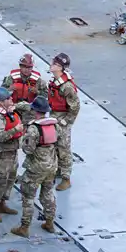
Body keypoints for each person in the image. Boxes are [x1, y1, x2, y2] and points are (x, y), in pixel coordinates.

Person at [11, 97, 59, 237]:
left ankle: (24, 227)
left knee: (28, 196)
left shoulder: (33, 128)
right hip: (51, 165)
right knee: (48, 193)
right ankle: (49, 222)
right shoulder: (54, 125)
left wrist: (22, 139)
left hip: (35, 168)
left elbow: (28, 150)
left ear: (35, 111)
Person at [0, 86, 23, 222]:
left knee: (10, 179)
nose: (11, 99)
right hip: (3, 154)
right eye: (8, 98)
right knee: (0, 181)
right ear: (1, 102)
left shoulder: (10, 112)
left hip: (13, 152)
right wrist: (15, 130)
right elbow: (0, 136)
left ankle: (3, 203)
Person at [48, 52, 81, 190]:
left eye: (55, 64)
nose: (52, 65)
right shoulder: (56, 81)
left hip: (62, 118)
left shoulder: (66, 86)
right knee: (54, 146)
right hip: (54, 115)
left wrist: (66, 121)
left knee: (64, 148)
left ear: (61, 68)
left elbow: (75, 106)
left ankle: (66, 178)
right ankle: (57, 171)